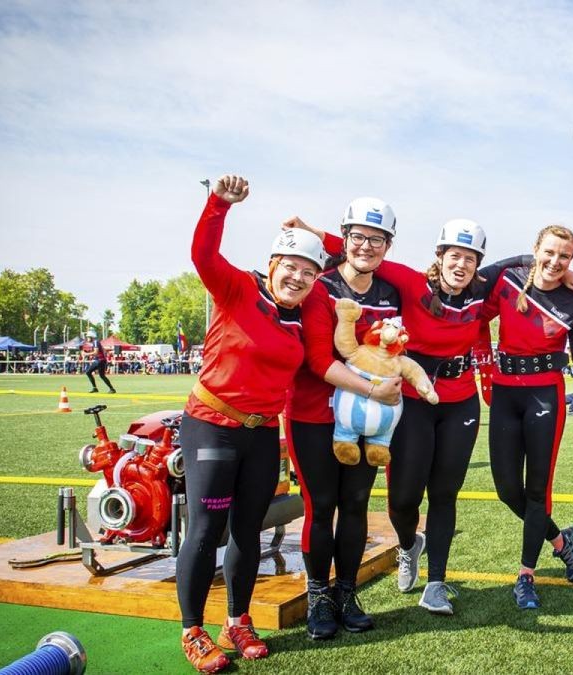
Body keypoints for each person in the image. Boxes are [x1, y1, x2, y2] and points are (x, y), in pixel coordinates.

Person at [306, 216, 521, 615]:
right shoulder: (409, 281)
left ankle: (436, 583)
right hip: (410, 398)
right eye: (454, 255)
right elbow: (362, 250)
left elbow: (517, 267)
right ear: (438, 256)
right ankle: (409, 545)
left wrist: (567, 273)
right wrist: (313, 231)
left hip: (459, 401)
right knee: (403, 498)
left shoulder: (482, 292)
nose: (462, 265)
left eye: (470, 259)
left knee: (444, 493)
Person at [176, 175, 336, 672]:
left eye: (308, 272)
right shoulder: (238, 288)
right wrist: (218, 204)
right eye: (290, 267)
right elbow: (203, 255)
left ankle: (237, 620)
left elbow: (352, 259)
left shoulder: (303, 311)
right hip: (213, 426)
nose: (298, 278)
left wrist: (314, 234)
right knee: (206, 530)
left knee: (248, 528)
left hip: (264, 433)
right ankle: (193, 630)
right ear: (272, 264)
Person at [280, 198, 410, 639]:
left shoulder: (390, 293)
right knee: (322, 507)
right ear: (344, 237)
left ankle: (346, 592)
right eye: (357, 236)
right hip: (315, 414)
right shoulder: (320, 286)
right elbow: (319, 360)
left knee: (356, 505)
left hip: (364, 422)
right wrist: (376, 389)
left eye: (377, 239)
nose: (366, 246)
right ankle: (318, 595)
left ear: (388, 245)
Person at [481, 224, 573, 610]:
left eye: (565, 256)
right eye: (549, 252)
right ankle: (562, 541)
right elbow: (478, 297)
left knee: (536, 490)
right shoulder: (509, 280)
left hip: (546, 395)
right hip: (506, 393)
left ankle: (526, 575)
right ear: (535, 250)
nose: (556, 262)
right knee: (507, 490)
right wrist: (483, 369)